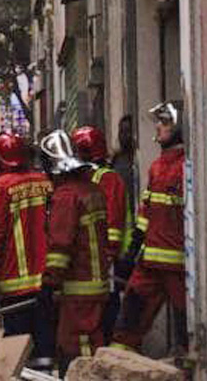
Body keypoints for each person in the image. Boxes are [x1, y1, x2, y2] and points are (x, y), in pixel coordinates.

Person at [112, 102, 187, 354]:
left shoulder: (187, 167)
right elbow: (146, 214)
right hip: (150, 264)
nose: (158, 126)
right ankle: (116, 368)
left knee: (186, 330)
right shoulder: (157, 166)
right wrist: (132, 250)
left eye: (164, 122)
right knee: (127, 323)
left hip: (180, 266)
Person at [0, 133, 55, 371]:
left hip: (14, 281)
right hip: (47, 278)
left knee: (18, 341)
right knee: (45, 338)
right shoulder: (45, 181)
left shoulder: (0, 187)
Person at [40, 130, 110, 372]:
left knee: (77, 347)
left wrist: (50, 283)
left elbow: (60, 246)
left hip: (78, 287)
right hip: (98, 283)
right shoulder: (93, 191)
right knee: (94, 339)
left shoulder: (66, 197)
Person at [71, 126, 132, 342]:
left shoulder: (108, 179)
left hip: (108, 263)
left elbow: (113, 226)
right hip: (92, 262)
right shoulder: (90, 178)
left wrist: (108, 255)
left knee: (106, 317)